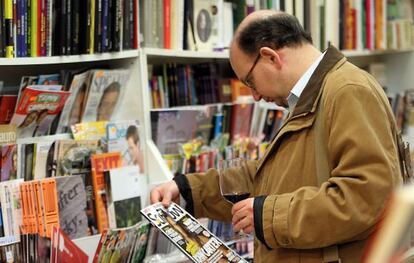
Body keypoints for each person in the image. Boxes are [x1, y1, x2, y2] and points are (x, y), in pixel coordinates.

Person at [151, 11, 402, 262]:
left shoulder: (347, 91)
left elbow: (367, 198)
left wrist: (267, 215)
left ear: (270, 57)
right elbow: (269, 176)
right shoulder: (311, 97)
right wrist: (188, 190)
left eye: (250, 81)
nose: (255, 96)